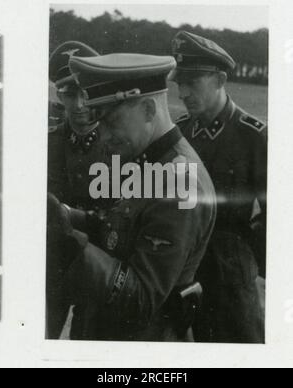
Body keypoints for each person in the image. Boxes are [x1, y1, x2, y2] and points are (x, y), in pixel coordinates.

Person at [48, 52, 217, 341]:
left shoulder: (179, 182)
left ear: (149, 110)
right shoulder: (148, 158)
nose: (102, 137)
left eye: (111, 123)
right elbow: (120, 231)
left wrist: (70, 243)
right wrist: (64, 215)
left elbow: (142, 299)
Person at [171, 31, 267, 343]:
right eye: (179, 83)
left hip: (231, 283)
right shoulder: (181, 133)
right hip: (184, 274)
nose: (183, 92)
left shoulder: (254, 137)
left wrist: (244, 258)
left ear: (220, 80)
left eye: (193, 82)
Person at [48, 41, 110, 210]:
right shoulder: (48, 142)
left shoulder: (119, 141)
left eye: (85, 95)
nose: (78, 104)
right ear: (60, 98)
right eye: (69, 95)